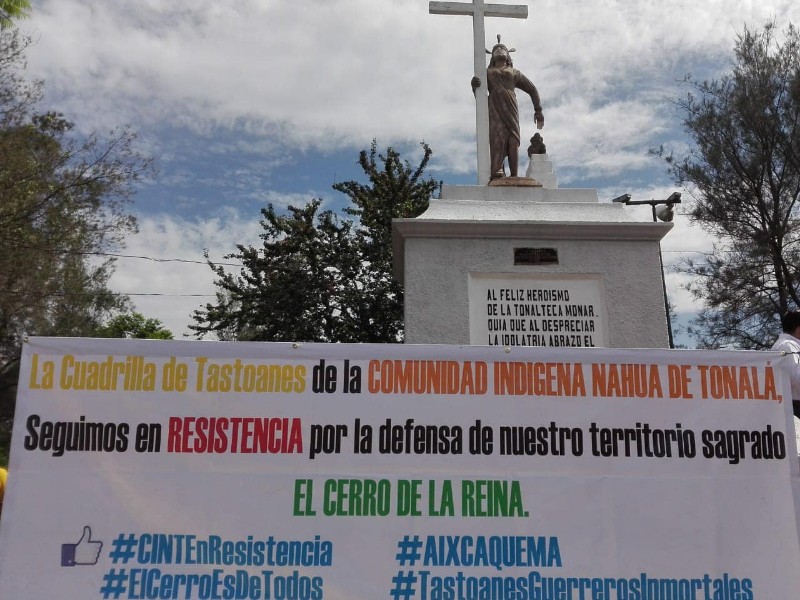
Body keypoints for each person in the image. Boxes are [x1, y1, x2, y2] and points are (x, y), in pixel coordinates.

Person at [472, 36, 544, 179]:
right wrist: (475, 87)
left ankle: (514, 175)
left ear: (508, 55)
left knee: (513, 139)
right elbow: (480, 95)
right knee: (496, 137)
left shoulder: (514, 72)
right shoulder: (486, 72)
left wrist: (538, 110)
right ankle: (497, 169)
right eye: (496, 49)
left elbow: (532, 89)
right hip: (494, 106)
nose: (499, 49)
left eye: (502, 48)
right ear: (491, 56)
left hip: (511, 107)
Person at [771, 310, 800, 417]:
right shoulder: (788, 346)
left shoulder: (787, 345)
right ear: (798, 328)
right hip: (795, 407)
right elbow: (797, 379)